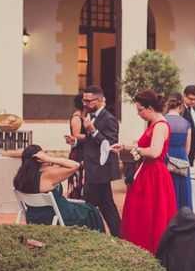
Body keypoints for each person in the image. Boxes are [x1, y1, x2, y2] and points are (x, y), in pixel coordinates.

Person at [111, 90, 177, 253]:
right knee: (141, 214)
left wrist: (135, 150)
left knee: (148, 216)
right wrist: (127, 147)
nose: (139, 113)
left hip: (153, 175)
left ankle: (148, 250)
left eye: (140, 110)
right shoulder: (154, 124)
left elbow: (154, 151)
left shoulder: (160, 125)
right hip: (147, 172)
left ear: (149, 108)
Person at [66, 86, 121, 237]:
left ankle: (83, 236)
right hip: (94, 169)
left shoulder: (109, 119)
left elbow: (110, 145)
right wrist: (75, 142)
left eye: (88, 101)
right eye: (84, 100)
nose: (84, 104)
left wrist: (93, 131)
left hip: (100, 169)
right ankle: (120, 235)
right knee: (107, 206)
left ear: (99, 100)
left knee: (88, 206)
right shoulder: (92, 116)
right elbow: (91, 143)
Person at [13, 145, 105, 231]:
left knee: (85, 209)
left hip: (33, 218)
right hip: (55, 216)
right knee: (92, 212)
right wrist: (49, 158)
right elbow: (75, 165)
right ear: (40, 159)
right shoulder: (47, 176)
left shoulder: (20, 178)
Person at [165, 92, 193, 210]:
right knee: (181, 195)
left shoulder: (162, 121)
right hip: (181, 162)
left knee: (166, 194)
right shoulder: (186, 124)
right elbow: (187, 149)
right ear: (181, 106)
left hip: (165, 160)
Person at [67, 94, 86, 199]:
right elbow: (76, 135)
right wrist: (91, 135)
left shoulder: (84, 117)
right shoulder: (76, 118)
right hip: (78, 153)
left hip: (84, 151)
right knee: (77, 179)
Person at [182, 85, 195, 164]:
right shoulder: (181, 111)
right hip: (186, 150)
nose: (193, 102)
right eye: (191, 99)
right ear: (184, 96)